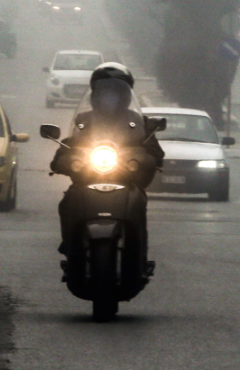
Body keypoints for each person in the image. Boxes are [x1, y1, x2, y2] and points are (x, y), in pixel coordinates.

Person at [50, 62, 163, 255]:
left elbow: (154, 150)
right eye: (104, 92)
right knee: (68, 201)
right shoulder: (84, 120)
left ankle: (139, 253)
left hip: (126, 179)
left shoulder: (138, 122)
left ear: (126, 96)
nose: (110, 97)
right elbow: (70, 143)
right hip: (88, 178)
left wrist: (147, 158)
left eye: (116, 92)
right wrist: (64, 159)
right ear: (95, 95)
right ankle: (70, 242)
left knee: (138, 201)